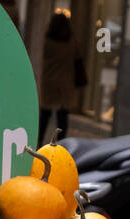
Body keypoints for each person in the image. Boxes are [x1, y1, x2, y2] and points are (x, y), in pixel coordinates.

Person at [39, 12, 87, 145]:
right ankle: (62, 144)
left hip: (49, 82)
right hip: (65, 83)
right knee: (62, 117)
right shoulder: (71, 43)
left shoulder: (47, 42)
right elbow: (78, 59)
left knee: (44, 115)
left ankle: (38, 141)